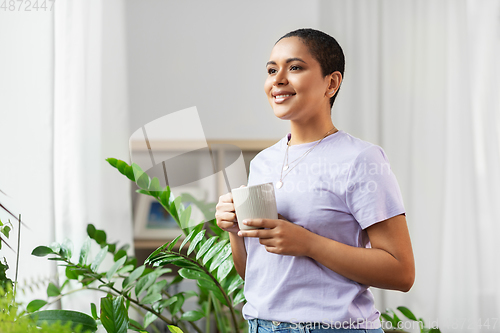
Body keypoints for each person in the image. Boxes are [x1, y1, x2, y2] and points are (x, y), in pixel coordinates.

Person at [215, 28, 415, 333]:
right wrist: (234, 232)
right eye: (271, 70)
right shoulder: (262, 163)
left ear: (331, 83)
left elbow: (401, 272)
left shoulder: (362, 159)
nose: (278, 79)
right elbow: (256, 275)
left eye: (294, 67)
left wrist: (308, 243)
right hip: (260, 325)